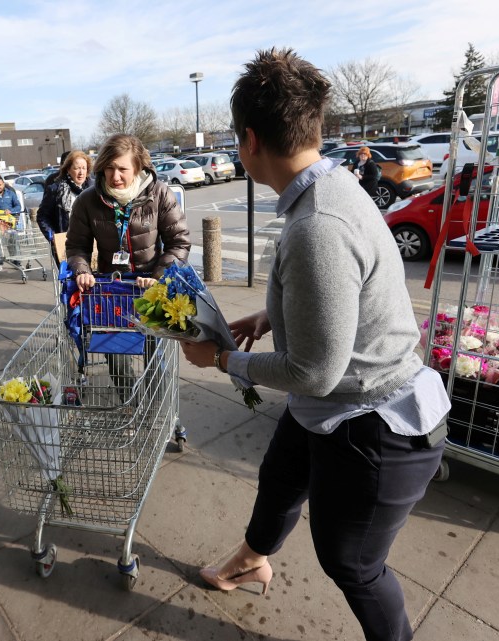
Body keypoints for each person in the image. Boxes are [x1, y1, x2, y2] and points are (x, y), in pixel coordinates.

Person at [179, 48, 449, 641]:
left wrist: (224, 358)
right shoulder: (330, 186)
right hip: (336, 404)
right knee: (279, 479)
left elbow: (314, 373)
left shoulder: (317, 226)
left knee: (351, 562)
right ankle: (251, 560)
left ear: (249, 140)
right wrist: (270, 316)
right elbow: (338, 298)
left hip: (370, 421)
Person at [65, 133, 190, 291]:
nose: (115, 176)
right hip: (110, 288)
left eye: (122, 169)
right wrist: (82, 271)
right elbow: (77, 246)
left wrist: (160, 276)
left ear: (138, 168)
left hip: (152, 285)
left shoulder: (160, 194)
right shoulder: (86, 201)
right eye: (109, 168)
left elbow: (178, 242)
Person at [37, 150, 93, 263]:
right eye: (77, 168)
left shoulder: (95, 189)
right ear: (68, 169)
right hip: (67, 245)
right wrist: (53, 238)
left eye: (84, 168)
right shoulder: (55, 189)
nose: (81, 172)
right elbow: (42, 216)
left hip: (92, 244)